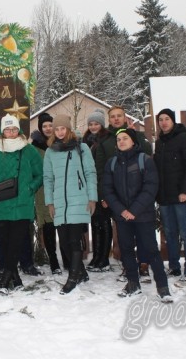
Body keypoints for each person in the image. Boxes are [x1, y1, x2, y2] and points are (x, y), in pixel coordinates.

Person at [103, 128, 172, 302]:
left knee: (150, 250)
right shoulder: (112, 163)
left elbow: (150, 188)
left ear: (133, 141)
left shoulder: (145, 160)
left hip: (143, 216)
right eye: (118, 139)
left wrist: (133, 210)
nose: (121, 142)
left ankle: (163, 287)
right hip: (122, 217)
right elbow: (108, 190)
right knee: (126, 250)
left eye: (125, 138)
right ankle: (133, 283)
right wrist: (122, 211)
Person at [0, 114, 43, 295]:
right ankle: (15, 277)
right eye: (7, 129)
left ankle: (5, 279)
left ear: (19, 130)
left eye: (14, 129)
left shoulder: (28, 150)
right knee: (5, 243)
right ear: (2, 131)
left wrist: (30, 188)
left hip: (22, 204)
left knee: (16, 242)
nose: (11, 132)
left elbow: (40, 174)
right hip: (0, 204)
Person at [43, 115, 97, 294]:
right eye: (56, 129)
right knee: (64, 243)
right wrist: (49, 202)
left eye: (62, 128)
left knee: (74, 241)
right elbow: (48, 178)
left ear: (69, 129)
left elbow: (90, 173)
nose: (59, 132)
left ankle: (72, 278)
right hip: (59, 202)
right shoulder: (50, 151)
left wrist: (92, 198)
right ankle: (81, 272)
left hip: (78, 199)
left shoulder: (81, 148)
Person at [153, 108, 186, 286]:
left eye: (167, 119)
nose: (163, 122)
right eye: (161, 120)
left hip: (180, 195)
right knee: (170, 233)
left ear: (173, 121)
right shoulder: (160, 142)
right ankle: (174, 266)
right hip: (164, 196)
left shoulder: (183, 138)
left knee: (185, 233)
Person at [31, 112, 63, 274]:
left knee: (63, 225)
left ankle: (69, 259)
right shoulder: (34, 147)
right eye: (45, 126)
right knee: (49, 226)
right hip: (43, 190)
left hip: (62, 189)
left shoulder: (62, 142)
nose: (48, 128)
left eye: (51, 125)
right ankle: (54, 261)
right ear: (40, 128)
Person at [83, 109, 113, 273]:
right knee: (95, 223)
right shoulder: (86, 141)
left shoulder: (106, 141)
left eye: (96, 124)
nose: (93, 126)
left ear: (102, 125)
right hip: (90, 189)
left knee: (104, 223)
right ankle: (96, 257)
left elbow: (107, 168)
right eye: (91, 124)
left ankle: (104, 259)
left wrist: (104, 193)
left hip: (102, 188)